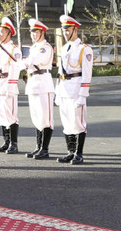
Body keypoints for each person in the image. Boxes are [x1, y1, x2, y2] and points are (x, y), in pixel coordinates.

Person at [55, 14, 93, 164]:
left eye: (67, 30)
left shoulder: (84, 49)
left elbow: (87, 74)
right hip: (64, 89)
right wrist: (57, 92)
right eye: (63, 30)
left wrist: (83, 95)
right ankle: (70, 151)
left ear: (75, 29)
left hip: (76, 89)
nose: (65, 33)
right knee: (67, 122)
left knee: (78, 122)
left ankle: (79, 153)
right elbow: (60, 71)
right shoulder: (64, 48)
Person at [22, 19, 56, 159]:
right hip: (33, 83)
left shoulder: (45, 47)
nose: (33, 35)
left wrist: (23, 63)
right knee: (36, 117)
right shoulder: (34, 47)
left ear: (42, 32)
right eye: (32, 33)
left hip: (43, 84)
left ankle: (45, 148)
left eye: (36, 32)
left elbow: (32, 61)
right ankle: (38, 146)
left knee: (46, 118)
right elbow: (27, 62)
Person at [0, 16, 23, 154]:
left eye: (2, 32)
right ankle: (6, 142)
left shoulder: (14, 49)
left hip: (7, 85)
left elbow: (15, 69)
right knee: (1, 115)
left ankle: (14, 143)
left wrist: (11, 86)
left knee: (11, 115)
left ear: (9, 33)